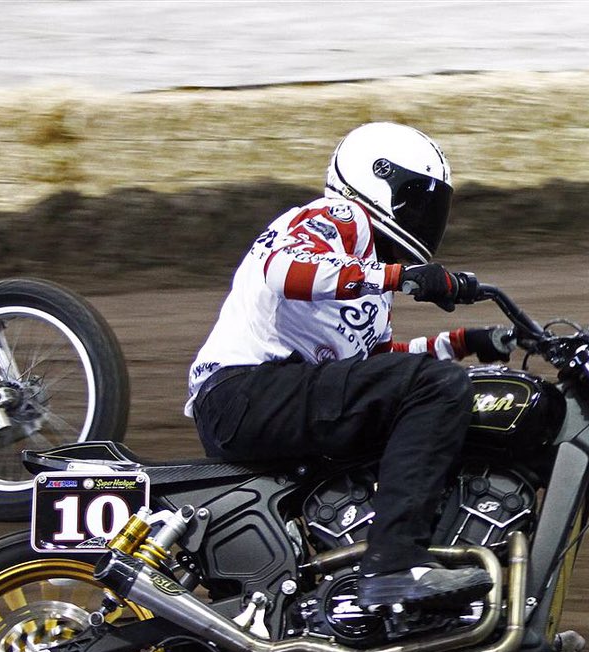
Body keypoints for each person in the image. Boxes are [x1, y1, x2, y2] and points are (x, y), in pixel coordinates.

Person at [186, 122, 515, 610]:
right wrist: (400, 276)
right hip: (243, 391)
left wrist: (464, 342)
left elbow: (377, 367)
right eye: (416, 198)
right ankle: (394, 566)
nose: (426, 217)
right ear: (376, 180)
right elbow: (284, 269)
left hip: (286, 395)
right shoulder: (340, 217)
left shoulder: (371, 285)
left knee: (435, 391)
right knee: (437, 388)